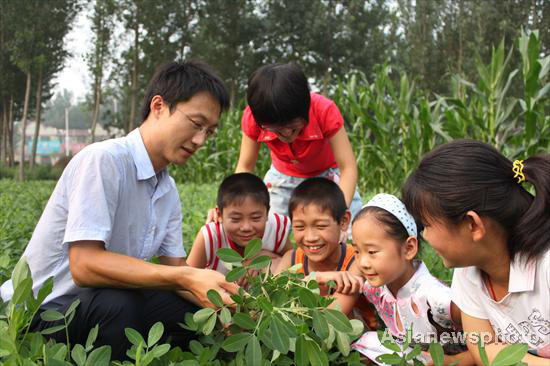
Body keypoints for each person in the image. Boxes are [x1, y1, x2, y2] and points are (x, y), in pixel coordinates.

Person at [0, 61, 239, 360]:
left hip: (94, 304)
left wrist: (222, 300)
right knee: (120, 304)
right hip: (42, 312)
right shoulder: (104, 161)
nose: (200, 140)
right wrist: (185, 277)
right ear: (159, 106)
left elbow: (176, 267)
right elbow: (84, 265)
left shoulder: (168, 189)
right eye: (196, 123)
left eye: (209, 131)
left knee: (189, 311)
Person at [402, 140, 550, 364]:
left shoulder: (545, 265)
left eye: (427, 225)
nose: (425, 236)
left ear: (473, 225)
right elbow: (485, 349)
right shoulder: (470, 272)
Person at [208, 62, 362, 223]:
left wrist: (341, 211)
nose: (287, 133)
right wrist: (228, 205)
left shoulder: (324, 110)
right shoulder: (253, 118)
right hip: (283, 176)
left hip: (329, 174)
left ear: (306, 108)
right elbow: (245, 167)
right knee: (268, 229)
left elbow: (348, 168)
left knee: (350, 226)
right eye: (277, 129)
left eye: (293, 126)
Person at [333, 194, 472, 365]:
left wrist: (452, 361)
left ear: (409, 248)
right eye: (357, 251)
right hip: (407, 355)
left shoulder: (437, 298)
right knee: (367, 342)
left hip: (445, 360)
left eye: (372, 252)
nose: (362, 263)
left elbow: (486, 340)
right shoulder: (374, 289)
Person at [274, 177, 378, 330]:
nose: (310, 237)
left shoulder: (356, 260)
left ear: (343, 221)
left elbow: (333, 315)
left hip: (357, 344)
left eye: (321, 226)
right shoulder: (291, 259)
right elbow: (269, 302)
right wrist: (317, 278)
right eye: (300, 227)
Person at [187, 172, 292, 275]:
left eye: (255, 218)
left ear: (267, 213)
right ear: (219, 215)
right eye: (236, 219)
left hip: (261, 290)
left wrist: (264, 256)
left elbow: (293, 258)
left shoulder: (275, 227)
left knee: (276, 263)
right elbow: (186, 281)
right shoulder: (211, 236)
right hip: (216, 290)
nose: (246, 227)